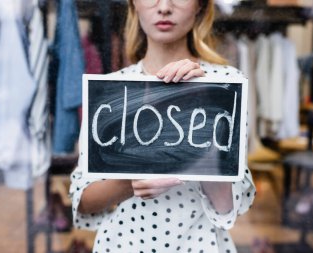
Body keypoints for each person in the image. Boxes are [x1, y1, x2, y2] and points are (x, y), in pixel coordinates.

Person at [69, 0, 256, 252]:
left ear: (200, 6)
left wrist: (203, 101)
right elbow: (83, 200)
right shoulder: (113, 90)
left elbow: (228, 207)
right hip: (124, 244)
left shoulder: (225, 85)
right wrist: (130, 182)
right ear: (134, 5)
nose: (164, 7)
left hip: (201, 246)